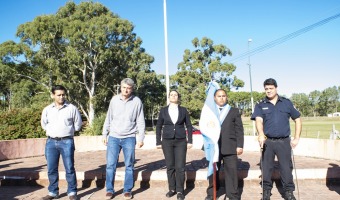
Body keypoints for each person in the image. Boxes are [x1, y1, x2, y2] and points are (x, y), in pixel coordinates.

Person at [251, 78, 302, 200]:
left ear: (276, 88)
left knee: (286, 168)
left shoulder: (286, 103)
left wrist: (296, 138)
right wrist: (261, 134)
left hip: (284, 141)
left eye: (271, 88)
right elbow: (259, 120)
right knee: (266, 168)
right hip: (267, 142)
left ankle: (289, 192)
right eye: (266, 89)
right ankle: (266, 192)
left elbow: (298, 119)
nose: (268, 91)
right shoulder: (260, 105)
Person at [102, 78, 145, 200]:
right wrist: (104, 134)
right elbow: (108, 118)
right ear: (120, 87)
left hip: (129, 138)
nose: (126, 90)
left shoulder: (137, 101)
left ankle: (127, 190)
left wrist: (141, 138)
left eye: (129, 88)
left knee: (129, 165)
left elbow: (140, 121)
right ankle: (109, 190)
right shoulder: (114, 100)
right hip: (114, 137)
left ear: (132, 89)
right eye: (124, 87)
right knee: (110, 165)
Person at [40, 85, 82, 200]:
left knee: (69, 167)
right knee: (51, 168)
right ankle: (53, 192)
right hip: (51, 142)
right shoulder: (47, 110)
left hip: (67, 141)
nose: (61, 97)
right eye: (58, 95)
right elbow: (44, 125)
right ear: (52, 95)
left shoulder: (71, 108)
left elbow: (78, 125)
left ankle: (72, 192)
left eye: (63, 94)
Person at [204, 89, 244, 200]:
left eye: (223, 96)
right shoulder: (210, 112)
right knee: (213, 171)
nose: (221, 98)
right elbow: (205, 128)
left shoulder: (233, 111)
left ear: (226, 97)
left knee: (231, 172)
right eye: (218, 96)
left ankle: (232, 195)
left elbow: (239, 129)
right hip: (214, 146)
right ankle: (212, 194)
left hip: (230, 146)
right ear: (214, 98)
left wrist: (240, 145)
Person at [156, 90, 193, 200]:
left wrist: (190, 140)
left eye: (175, 95)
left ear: (178, 97)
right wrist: (158, 142)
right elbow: (158, 126)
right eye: (171, 95)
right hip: (167, 141)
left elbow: (189, 126)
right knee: (170, 166)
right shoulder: (163, 110)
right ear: (169, 97)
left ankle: (180, 191)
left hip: (181, 141)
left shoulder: (183, 110)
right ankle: (172, 189)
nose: (173, 96)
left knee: (180, 167)